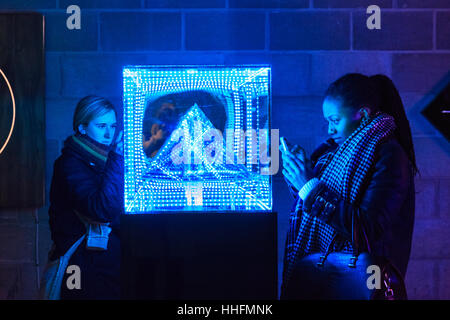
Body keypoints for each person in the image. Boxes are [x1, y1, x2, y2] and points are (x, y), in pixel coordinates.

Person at [280, 73, 417, 299]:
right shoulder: (329, 155)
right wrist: (302, 176)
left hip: (364, 283)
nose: (329, 130)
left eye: (335, 120)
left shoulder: (388, 155)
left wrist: (310, 188)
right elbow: (319, 206)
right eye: (327, 122)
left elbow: (367, 230)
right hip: (328, 283)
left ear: (362, 115)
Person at [47, 95, 123, 299]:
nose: (109, 134)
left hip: (106, 267)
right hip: (82, 267)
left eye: (113, 126)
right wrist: (117, 160)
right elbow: (101, 209)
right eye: (101, 126)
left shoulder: (106, 162)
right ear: (82, 127)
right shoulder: (69, 164)